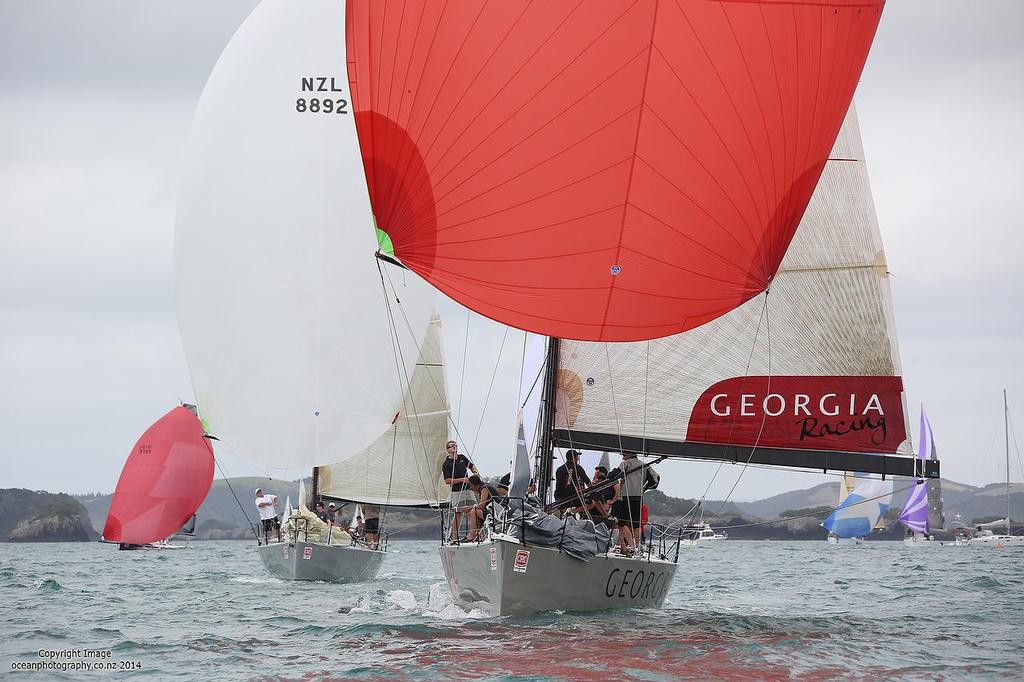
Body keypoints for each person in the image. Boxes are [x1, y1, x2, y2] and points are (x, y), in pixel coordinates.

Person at [608, 453, 657, 556]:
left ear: (630, 454)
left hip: (625, 497)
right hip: (638, 498)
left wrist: (613, 475)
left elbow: (613, 476)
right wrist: (644, 488)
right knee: (636, 524)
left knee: (621, 523)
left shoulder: (625, 464)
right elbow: (655, 480)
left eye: (624, 453)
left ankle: (617, 546)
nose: (622, 455)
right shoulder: (645, 465)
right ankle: (637, 548)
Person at [442, 440, 478, 541]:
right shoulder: (447, 464)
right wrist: (463, 480)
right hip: (457, 492)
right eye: (451, 446)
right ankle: (455, 537)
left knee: (474, 510)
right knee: (459, 513)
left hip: (468, 490)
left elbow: (471, 466)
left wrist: (475, 472)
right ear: (448, 450)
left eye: (455, 445)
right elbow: (447, 481)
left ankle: (475, 535)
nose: (454, 447)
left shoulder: (462, 458)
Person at [462, 474, 499, 542]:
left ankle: (471, 536)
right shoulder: (483, 487)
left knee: (473, 511)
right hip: (491, 512)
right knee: (473, 512)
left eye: (471, 488)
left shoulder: (484, 488)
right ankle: (477, 535)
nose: (472, 490)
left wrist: (470, 508)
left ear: (473, 485)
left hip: (496, 514)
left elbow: (481, 506)